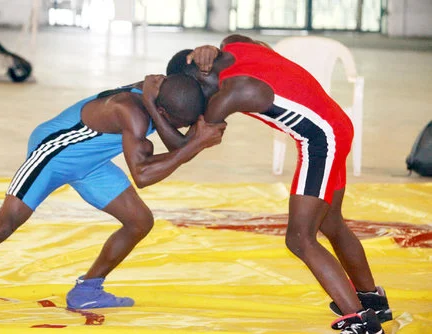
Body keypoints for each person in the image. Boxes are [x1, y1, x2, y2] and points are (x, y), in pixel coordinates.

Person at [146, 35, 391, 334]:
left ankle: (362, 323)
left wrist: (149, 100)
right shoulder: (235, 45)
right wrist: (212, 50)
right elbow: (253, 45)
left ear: (203, 71)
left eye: (196, 92)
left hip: (322, 141)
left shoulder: (230, 93)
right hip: (336, 123)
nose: (200, 101)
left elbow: (184, 146)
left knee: (300, 238)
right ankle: (373, 302)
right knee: (332, 223)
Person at [0, 74, 227, 321]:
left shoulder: (162, 91)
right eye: (178, 123)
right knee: (4, 224)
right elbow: (143, 176)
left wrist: (194, 137)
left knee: (139, 221)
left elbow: (178, 140)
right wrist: (195, 145)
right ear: (162, 112)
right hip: (52, 153)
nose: (180, 130)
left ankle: (87, 291)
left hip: (91, 163)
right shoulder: (130, 110)